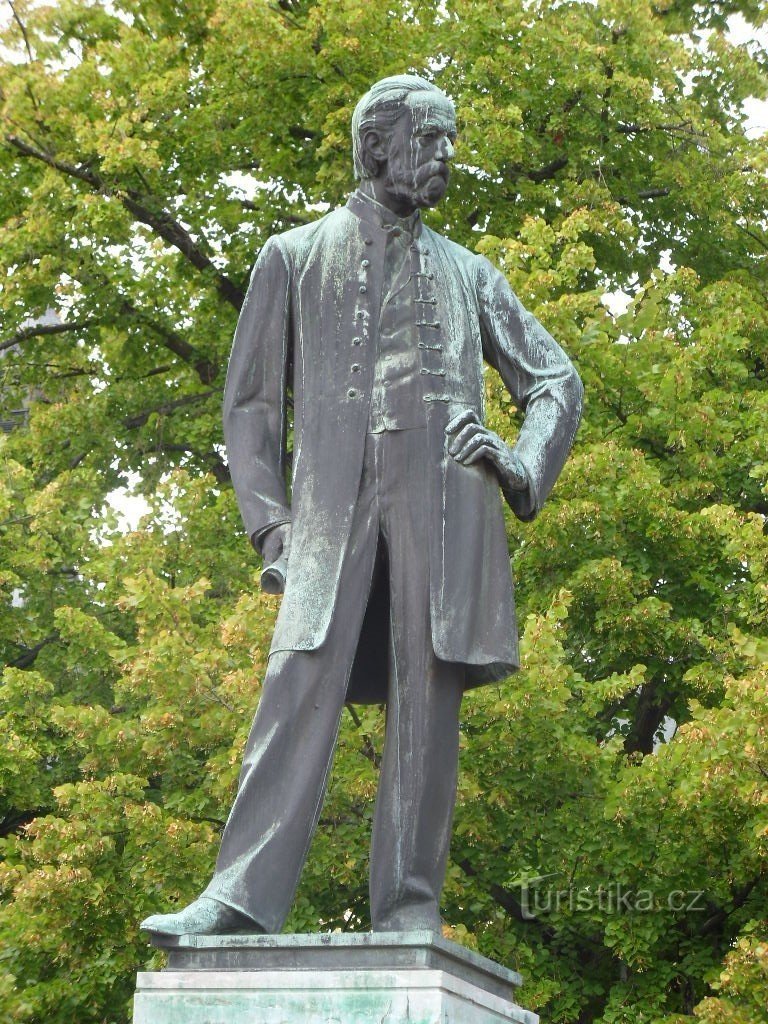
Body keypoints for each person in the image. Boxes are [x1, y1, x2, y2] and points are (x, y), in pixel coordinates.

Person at [141, 74, 582, 938]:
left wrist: (522, 462)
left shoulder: (471, 273)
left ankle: (410, 910)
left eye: (452, 139)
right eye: (432, 138)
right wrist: (270, 526)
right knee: (296, 678)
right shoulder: (293, 255)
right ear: (377, 145)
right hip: (328, 512)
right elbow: (252, 408)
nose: (448, 155)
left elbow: (556, 379)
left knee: (428, 697)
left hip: (446, 504)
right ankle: (236, 895)